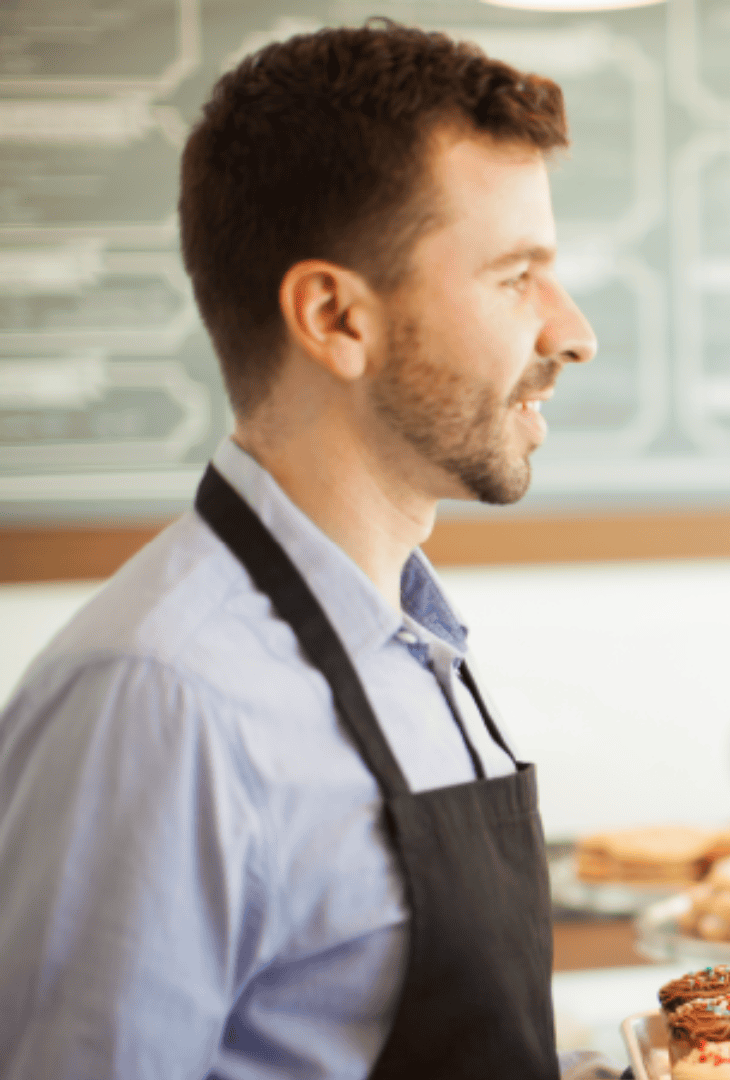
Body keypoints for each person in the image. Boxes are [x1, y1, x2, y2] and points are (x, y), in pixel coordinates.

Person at [0, 22, 611, 1079]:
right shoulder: (159, 697)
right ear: (334, 316)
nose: (573, 333)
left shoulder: (414, 637)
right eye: (516, 277)